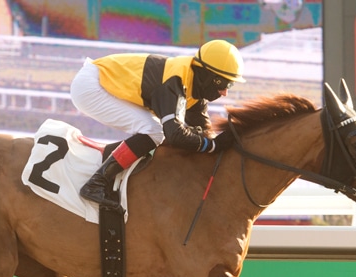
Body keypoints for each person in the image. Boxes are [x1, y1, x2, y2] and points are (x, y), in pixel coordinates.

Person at [70, 39, 245, 211]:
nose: (225, 92)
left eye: (231, 84)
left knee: (152, 130)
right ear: (210, 76)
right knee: (154, 131)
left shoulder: (194, 86)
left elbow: (206, 134)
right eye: (225, 83)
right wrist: (212, 145)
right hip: (91, 86)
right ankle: (96, 183)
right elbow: (174, 135)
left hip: (102, 80)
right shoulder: (175, 82)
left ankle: (112, 162)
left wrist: (221, 146)